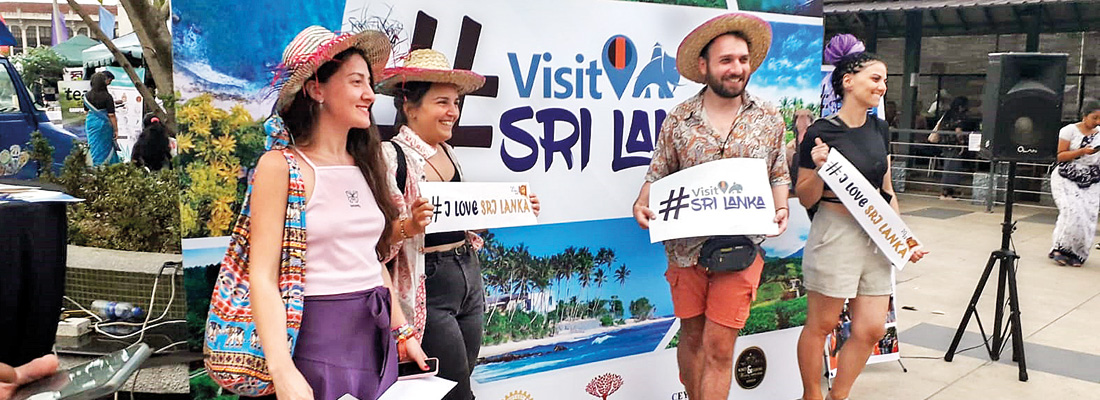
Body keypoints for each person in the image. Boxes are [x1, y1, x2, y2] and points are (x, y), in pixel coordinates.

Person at [245, 26, 427, 400]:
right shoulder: (280, 167)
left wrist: (401, 332)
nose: (369, 95)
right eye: (356, 81)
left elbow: (371, 259)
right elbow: (261, 276)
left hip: (373, 337)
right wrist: (282, 370)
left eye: (369, 83)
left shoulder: (367, 164)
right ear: (316, 89)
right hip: (317, 340)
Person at [631, 13, 790, 400]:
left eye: (742, 59)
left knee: (720, 345)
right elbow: (658, 171)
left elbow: (779, 173)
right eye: (726, 61)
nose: (737, 69)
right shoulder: (679, 119)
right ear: (704, 67)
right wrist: (641, 202)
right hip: (686, 250)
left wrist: (781, 207)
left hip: (742, 246)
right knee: (693, 335)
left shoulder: (769, 117)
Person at [376, 48, 540, 400]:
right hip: (429, 283)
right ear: (410, 106)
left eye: (456, 103)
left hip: (468, 271)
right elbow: (374, 241)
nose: (453, 112)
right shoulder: (391, 156)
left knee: (461, 376)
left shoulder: (450, 154)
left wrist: (513, 209)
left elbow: (462, 221)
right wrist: (409, 225)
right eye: (442, 102)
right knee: (455, 392)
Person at [795, 50, 927, 400]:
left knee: (870, 329)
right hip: (835, 233)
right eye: (875, 78)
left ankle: (839, 395)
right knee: (822, 325)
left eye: (885, 80)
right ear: (848, 81)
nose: (882, 86)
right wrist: (821, 170)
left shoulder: (880, 129)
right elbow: (806, 197)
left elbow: (886, 190)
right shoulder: (820, 133)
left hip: (877, 237)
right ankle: (812, 395)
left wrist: (903, 238)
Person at [1049, 99, 1100, 268]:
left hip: (1091, 177)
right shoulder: (1069, 130)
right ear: (1084, 116)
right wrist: (1082, 151)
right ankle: (1060, 248)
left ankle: (1078, 252)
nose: (1097, 122)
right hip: (1067, 174)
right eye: (1095, 117)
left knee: (1088, 216)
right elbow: (1060, 155)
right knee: (1071, 211)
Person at [930, 96, 970, 200]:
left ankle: (946, 192)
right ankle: (947, 193)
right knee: (953, 168)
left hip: (945, 143)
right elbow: (958, 132)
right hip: (953, 145)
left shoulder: (947, 114)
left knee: (948, 167)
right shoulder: (958, 116)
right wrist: (962, 143)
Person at [84, 71, 120, 166]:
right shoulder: (107, 96)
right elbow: (111, 115)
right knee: (105, 145)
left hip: (91, 123)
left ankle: (95, 165)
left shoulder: (86, 96)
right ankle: (107, 165)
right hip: (104, 124)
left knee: (93, 144)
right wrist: (116, 129)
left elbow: (86, 112)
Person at [787, 108, 815, 192]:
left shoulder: (818, 146)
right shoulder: (790, 148)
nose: (804, 120)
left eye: (807, 117)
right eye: (800, 117)